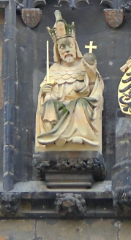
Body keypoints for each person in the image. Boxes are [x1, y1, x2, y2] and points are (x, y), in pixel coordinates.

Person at [35, 10, 103, 151]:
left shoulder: (83, 65)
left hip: (78, 104)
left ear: (75, 47)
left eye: (69, 46)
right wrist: (44, 92)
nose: (66, 50)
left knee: (80, 103)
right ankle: (53, 136)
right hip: (61, 106)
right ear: (57, 51)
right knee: (49, 105)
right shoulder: (53, 69)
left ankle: (81, 136)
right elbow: (46, 93)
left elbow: (94, 86)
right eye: (62, 47)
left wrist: (90, 72)